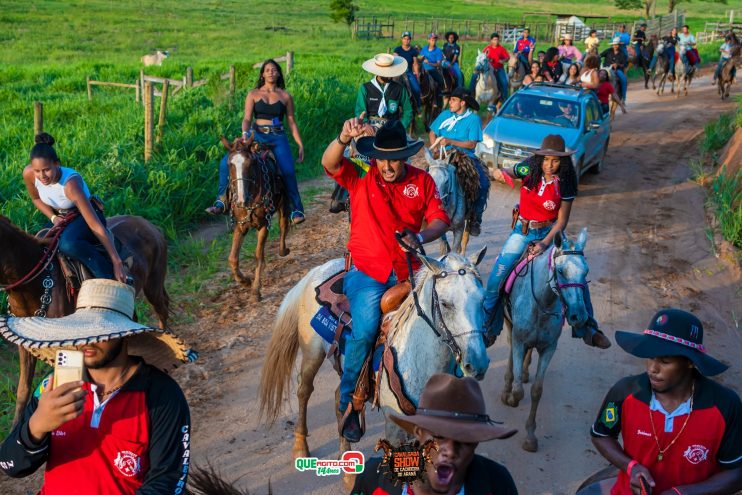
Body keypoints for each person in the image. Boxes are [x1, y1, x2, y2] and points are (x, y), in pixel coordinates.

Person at [0, 278, 196, 494]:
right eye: (81, 330)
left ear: (124, 335)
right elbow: (11, 465)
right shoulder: (54, 385)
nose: (87, 340)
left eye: (100, 332)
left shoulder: (161, 395)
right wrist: (36, 426)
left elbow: (167, 482)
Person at [321, 119, 450, 442]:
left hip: (410, 270)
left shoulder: (422, 181)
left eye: (395, 159)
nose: (389, 166)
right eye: (383, 158)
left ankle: (454, 384)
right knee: (364, 330)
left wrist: (420, 235)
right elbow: (329, 162)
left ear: (405, 157)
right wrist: (342, 135)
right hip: (368, 272)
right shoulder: (361, 178)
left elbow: (440, 220)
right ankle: (351, 400)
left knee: (448, 312)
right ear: (374, 157)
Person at [591, 308, 742, 495]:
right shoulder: (624, 392)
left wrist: (684, 493)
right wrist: (631, 467)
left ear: (690, 362)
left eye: (665, 361)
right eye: (651, 357)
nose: (653, 369)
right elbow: (601, 434)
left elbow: (737, 472)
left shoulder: (726, 406)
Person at [484, 134, 611, 349]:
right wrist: (499, 173)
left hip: (549, 235)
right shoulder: (528, 169)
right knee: (496, 280)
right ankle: (487, 327)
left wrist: (544, 243)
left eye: (555, 160)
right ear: (539, 158)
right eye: (545, 159)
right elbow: (509, 172)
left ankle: (587, 328)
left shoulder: (566, 183)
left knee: (574, 272)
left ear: (562, 161)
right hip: (521, 232)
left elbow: (562, 221)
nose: (549, 165)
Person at [350, 373, 519, 495]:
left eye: (465, 441)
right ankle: (349, 399)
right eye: (439, 436)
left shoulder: (498, 485)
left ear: (476, 443)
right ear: (418, 433)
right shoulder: (373, 478)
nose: (451, 451)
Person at [206, 59, 306, 224]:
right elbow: (246, 118)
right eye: (267, 70)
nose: (271, 72)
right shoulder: (253, 94)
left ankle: (296, 209)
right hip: (256, 135)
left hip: (278, 137)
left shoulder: (285, 96)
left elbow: (292, 122)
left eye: (274, 70)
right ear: (262, 74)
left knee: (288, 171)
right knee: (226, 162)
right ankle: (221, 201)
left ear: (279, 73)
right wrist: (245, 133)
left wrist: (300, 144)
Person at [23, 133, 127, 283]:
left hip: (84, 215)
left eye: (46, 170)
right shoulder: (29, 174)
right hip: (61, 216)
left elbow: (95, 225)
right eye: (37, 171)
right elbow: (36, 198)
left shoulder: (70, 184)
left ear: (57, 164)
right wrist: (53, 218)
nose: (42, 176)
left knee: (68, 244)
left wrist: (117, 262)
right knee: (38, 243)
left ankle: (108, 277)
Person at [429, 88, 489, 236]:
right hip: (442, 156)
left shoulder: (473, 119)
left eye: (453, 100)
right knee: (425, 178)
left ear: (462, 103)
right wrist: (435, 149)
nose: (450, 102)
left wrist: (450, 141)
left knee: (483, 183)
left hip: (464, 157)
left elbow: (472, 144)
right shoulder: (445, 115)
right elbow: (432, 133)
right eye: (450, 99)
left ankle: (475, 219)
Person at [355, 52, 413, 130]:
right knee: (355, 141)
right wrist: (365, 124)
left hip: (392, 127)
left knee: (412, 142)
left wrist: (401, 127)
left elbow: (408, 111)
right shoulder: (365, 88)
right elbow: (360, 110)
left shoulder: (400, 89)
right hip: (369, 127)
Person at [471, 32, 509, 101]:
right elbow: (482, 56)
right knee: (474, 76)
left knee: (504, 82)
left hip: (498, 68)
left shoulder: (501, 48)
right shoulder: (487, 48)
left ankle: (504, 98)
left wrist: (503, 61)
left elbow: (507, 57)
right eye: (494, 40)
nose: (496, 41)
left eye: (497, 40)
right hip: (487, 68)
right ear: (491, 40)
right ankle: (471, 94)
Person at [394, 31, 423, 108]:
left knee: (417, 89)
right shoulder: (397, 49)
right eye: (405, 39)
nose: (406, 40)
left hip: (408, 72)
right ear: (402, 39)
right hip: (398, 72)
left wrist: (417, 75)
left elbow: (415, 64)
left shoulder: (413, 51)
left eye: (408, 39)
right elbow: (395, 59)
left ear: (410, 40)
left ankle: (418, 106)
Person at [421, 33, 446, 108]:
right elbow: (420, 57)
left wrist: (429, 63)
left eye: (435, 40)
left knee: (440, 81)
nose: (433, 41)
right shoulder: (424, 49)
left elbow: (438, 64)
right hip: (422, 69)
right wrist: (420, 59)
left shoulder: (438, 51)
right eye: (432, 40)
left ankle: (436, 98)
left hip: (432, 70)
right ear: (428, 40)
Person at [601, 38, 628, 102]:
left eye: (617, 45)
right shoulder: (608, 51)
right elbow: (600, 55)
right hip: (606, 68)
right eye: (614, 45)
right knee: (598, 77)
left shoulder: (622, 53)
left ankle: (623, 98)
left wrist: (617, 65)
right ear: (612, 45)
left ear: (619, 45)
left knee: (624, 79)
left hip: (617, 70)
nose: (615, 46)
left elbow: (624, 64)